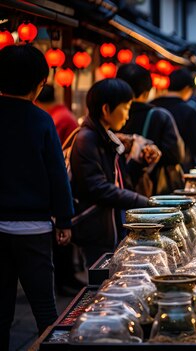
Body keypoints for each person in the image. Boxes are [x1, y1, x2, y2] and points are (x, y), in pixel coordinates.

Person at [0, 44, 74, 350]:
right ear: (40, 84)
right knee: (45, 307)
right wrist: (65, 219)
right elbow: (57, 174)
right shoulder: (42, 120)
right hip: (35, 228)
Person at [69, 78, 158, 266]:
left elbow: (119, 180)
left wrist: (140, 162)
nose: (127, 115)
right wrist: (144, 202)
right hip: (95, 226)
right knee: (100, 281)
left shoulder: (105, 136)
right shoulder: (87, 139)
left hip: (108, 224)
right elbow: (98, 187)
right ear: (106, 109)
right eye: (125, 108)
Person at [35, 84, 83, 295]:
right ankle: (66, 281)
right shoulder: (55, 115)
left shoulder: (54, 117)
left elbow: (56, 165)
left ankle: (65, 282)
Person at [116, 64, 185, 195]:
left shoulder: (110, 115)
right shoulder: (160, 116)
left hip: (117, 190)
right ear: (147, 92)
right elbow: (176, 155)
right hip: (154, 192)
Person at [152, 68, 196, 171]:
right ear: (186, 89)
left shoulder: (152, 106)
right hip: (179, 172)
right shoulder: (188, 111)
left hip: (148, 169)